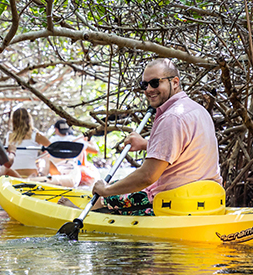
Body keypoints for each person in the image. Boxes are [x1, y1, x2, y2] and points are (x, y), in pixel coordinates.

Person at [91, 58, 222, 215]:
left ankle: (81, 210)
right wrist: (146, 144)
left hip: (172, 202)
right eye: (144, 85)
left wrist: (106, 190)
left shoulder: (172, 117)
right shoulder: (198, 110)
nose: (148, 90)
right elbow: (185, 148)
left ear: (174, 82)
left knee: (103, 196)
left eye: (155, 83)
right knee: (114, 188)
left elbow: (147, 177)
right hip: (206, 198)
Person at [33, 118, 100, 188]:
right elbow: (95, 150)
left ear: (56, 129)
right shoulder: (75, 140)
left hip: (55, 168)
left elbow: (43, 155)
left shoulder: (52, 140)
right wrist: (89, 140)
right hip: (69, 168)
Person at [3, 108, 51, 177]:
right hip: (30, 172)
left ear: (13, 121)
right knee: (46, 159)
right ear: (29, 119)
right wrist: (43, 155)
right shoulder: (36, 135)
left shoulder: (9, 135)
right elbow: (51, 147)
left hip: (13, 173)